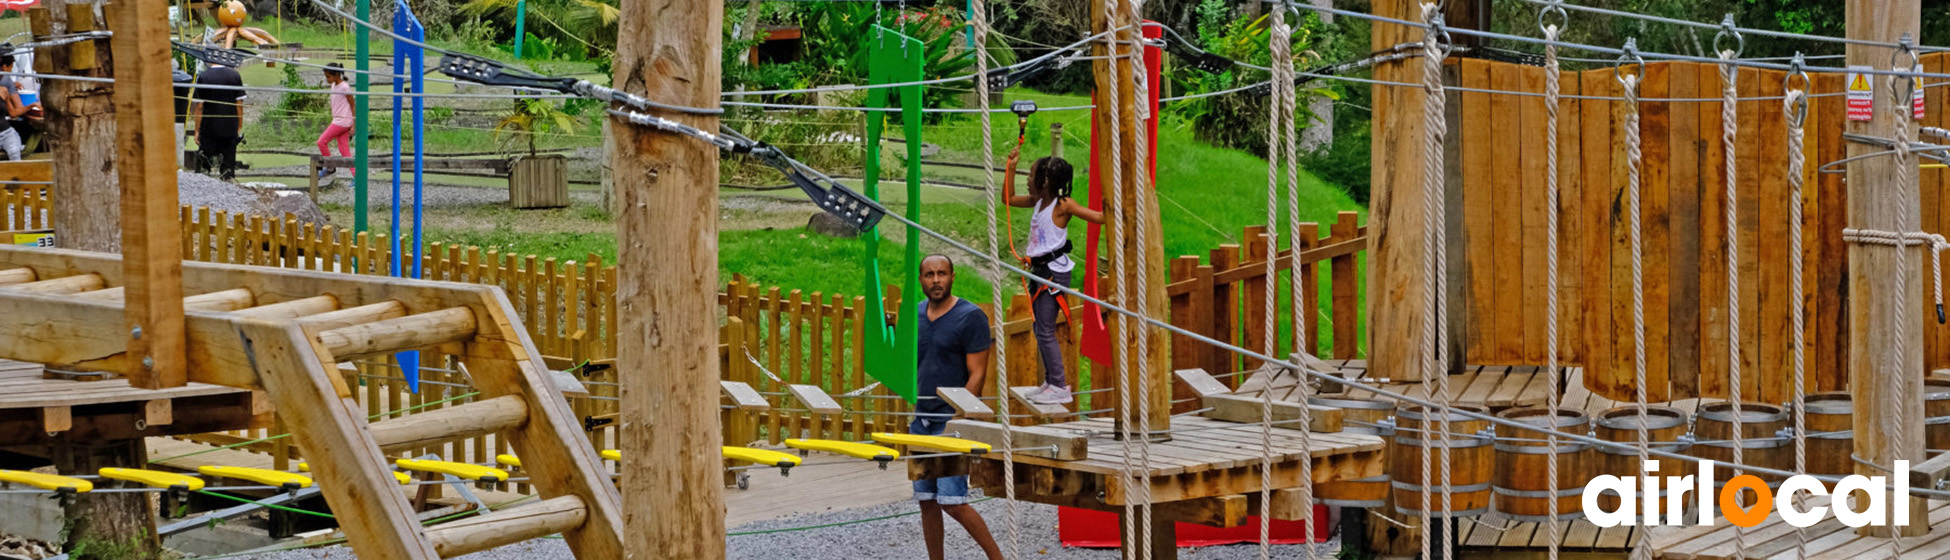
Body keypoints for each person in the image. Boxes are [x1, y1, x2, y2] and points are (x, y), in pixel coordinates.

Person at [911, 254, 1005, 560]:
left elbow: (978, 371)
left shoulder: (970, 316)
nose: (935, 280)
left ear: (953, 276)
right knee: (926, 500)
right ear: (921, 279)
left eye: (941, 273)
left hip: (950, 420)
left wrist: (958, 417)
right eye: (929, 274)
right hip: (920, 420)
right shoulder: (915, 314)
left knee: (953, 501)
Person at [1000, 147, 1104, 405]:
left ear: (1044, 181)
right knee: (1039, 327)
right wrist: (1011, 167)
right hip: (1039, 272)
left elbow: (1099, 218)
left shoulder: (1062, 205)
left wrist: (1113, 200)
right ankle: (1051, 381)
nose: (1027, 178)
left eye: (1030, 174)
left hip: (1054, 275)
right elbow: (1008, 199)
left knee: (1045, 329)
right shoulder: (1038, 202)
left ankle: (1059, 385)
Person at [189, 62, 246, 181]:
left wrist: (197, 130)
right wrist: (239, 126)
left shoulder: (204, 76)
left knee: (205, 163)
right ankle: (227, 183)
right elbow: (239, 104)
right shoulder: (234, 75)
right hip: (229, 126)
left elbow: (199, 107)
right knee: (228, 163)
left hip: (208, 127)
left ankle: (203, 184)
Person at [316, 63, 354, 178]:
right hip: (338, 120)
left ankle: (330, 167)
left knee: (321, 142)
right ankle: (356, 176)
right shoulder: (333, 85)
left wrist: (354, 125)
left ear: (336, 74)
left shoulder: (345, 87)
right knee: (344, 150)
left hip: (342, 122)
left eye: (328, 77)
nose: (327, 79)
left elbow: (353, 104)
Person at [0, 54, 35, 161]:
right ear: (4, 67)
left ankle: (17, 177)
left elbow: (13, 113)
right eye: (10, 67)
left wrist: (32, 106)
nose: (10, 72)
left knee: (15, 154)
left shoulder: (4, 89)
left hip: (6, 134)